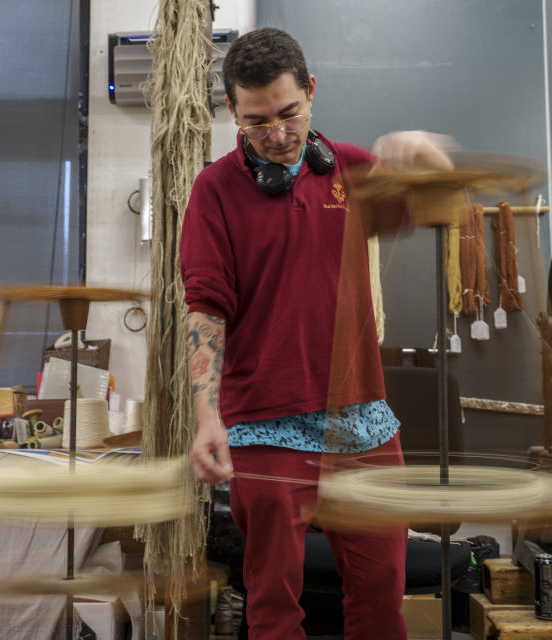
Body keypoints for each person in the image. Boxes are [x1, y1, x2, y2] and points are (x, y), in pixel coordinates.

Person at [179, 27, 453, 640]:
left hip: (364, 424)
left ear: (310, 92)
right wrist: (207, 417)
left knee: (384, 599)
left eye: (288, 114)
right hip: (265, 424)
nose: (276, 135)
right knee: (275, 610)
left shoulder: (351, 171)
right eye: (255, 123)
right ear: (232, 111)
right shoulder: (214, 192)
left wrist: (423, 152)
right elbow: (205, 311)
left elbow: (436, 201)